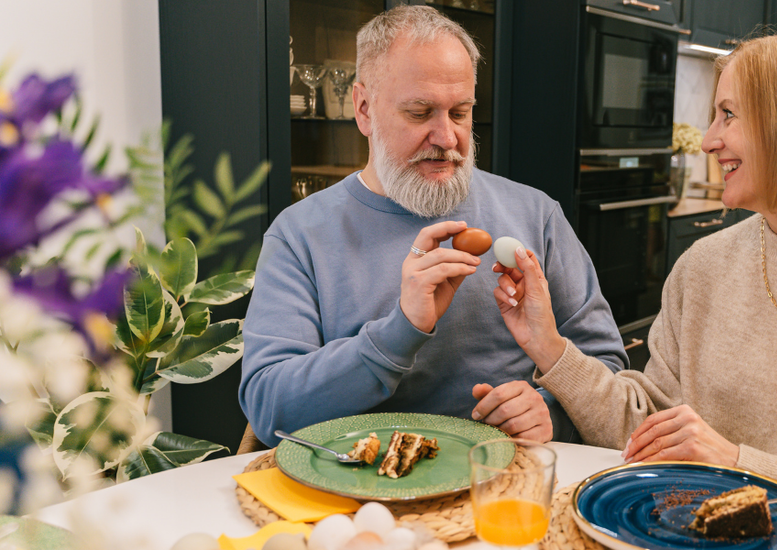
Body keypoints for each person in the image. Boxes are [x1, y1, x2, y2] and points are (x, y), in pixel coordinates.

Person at [491, 26, 777, 550]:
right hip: (677, 533)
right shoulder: (704, 265)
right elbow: (647, 428)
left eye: (729, 115)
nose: (710, 138)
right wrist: (549, 347)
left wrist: (737, 464)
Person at [239, 6, 626, 449]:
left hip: (509, 491)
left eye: (460, 113)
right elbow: (270, 411)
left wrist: (551, 412)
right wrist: (399, 330)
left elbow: (609, 370)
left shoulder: (536, 214)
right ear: (363, 109)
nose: (447, 138)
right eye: (421, 113)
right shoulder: (300, 234)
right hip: (362, 495)